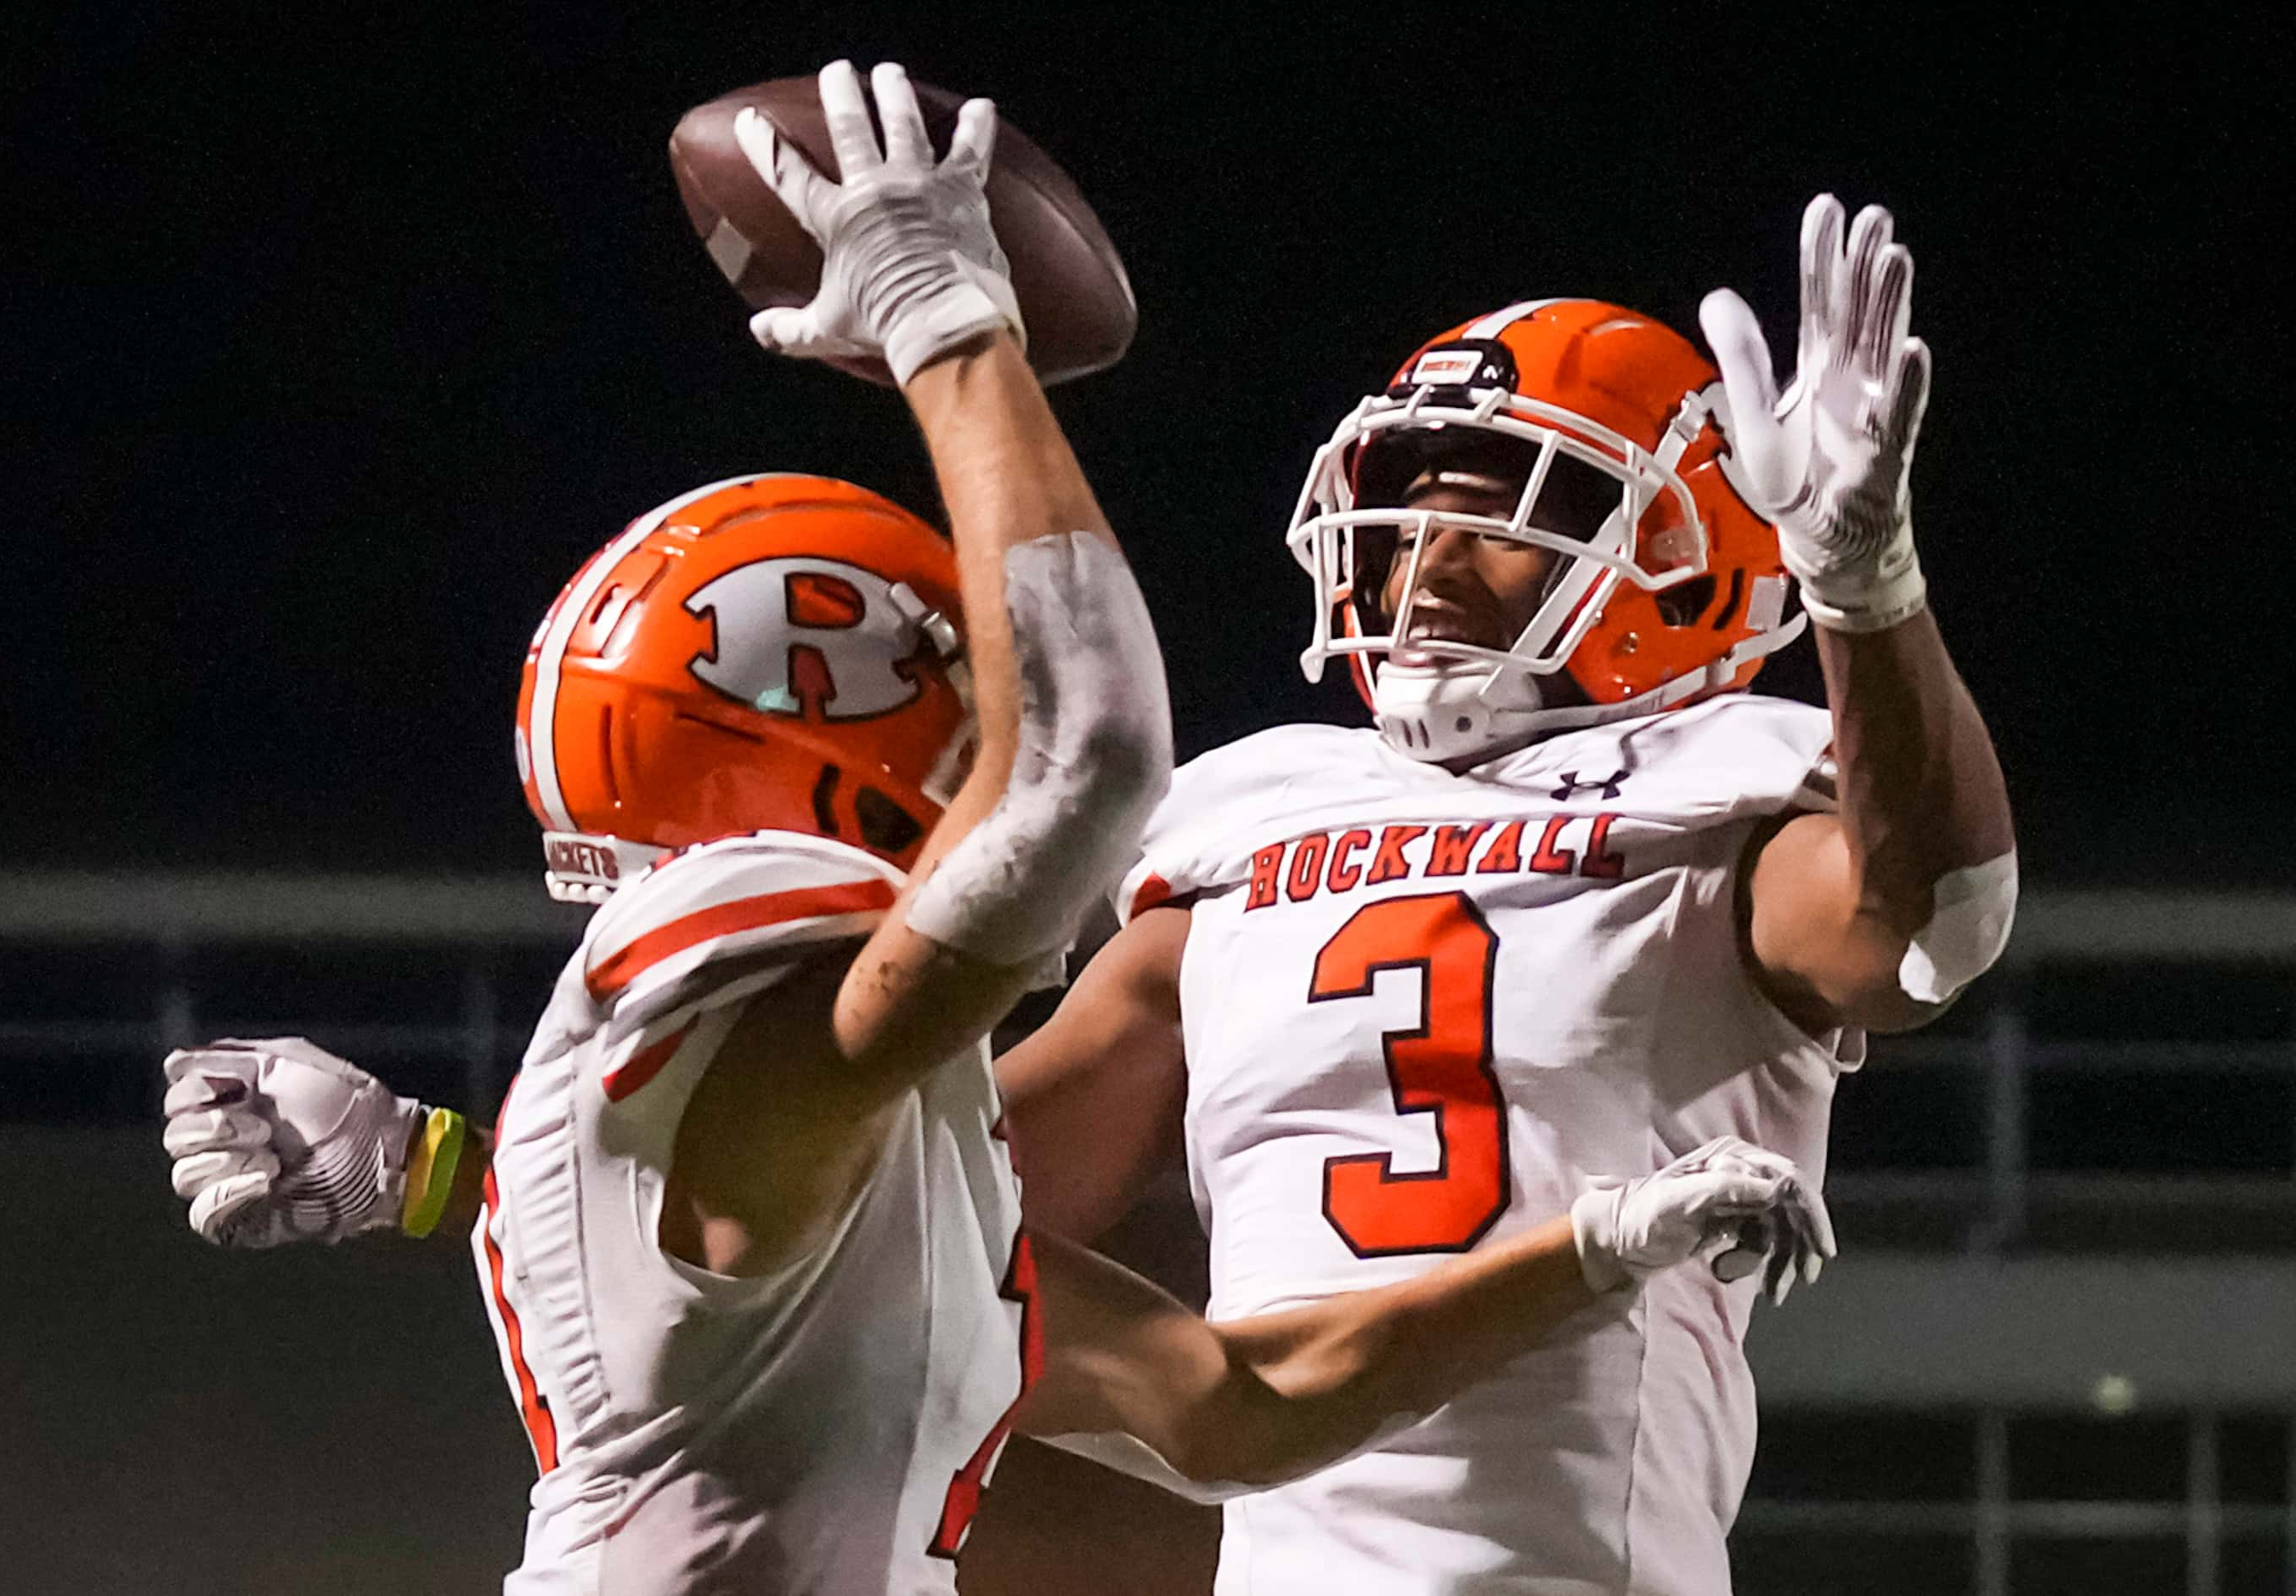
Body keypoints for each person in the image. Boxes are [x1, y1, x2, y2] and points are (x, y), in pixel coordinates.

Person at [160, 63, 1832, 1596]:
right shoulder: (733, 967)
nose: (978, 727)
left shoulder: (830, 1143)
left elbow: (1233, 1402)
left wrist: (1597, 1244)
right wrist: (947, 332)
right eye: (942, 677)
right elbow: (1077, 769)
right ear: (821, 733)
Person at [993, 205, 2016, 1593]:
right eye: (1409, 516)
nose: (1428, 564)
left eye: (1504, 513)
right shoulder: (1259, 811)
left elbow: (1932, 924)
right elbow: (940, 1205)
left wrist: (1864, 589)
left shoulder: (1712, 789)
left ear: (1682, 553)